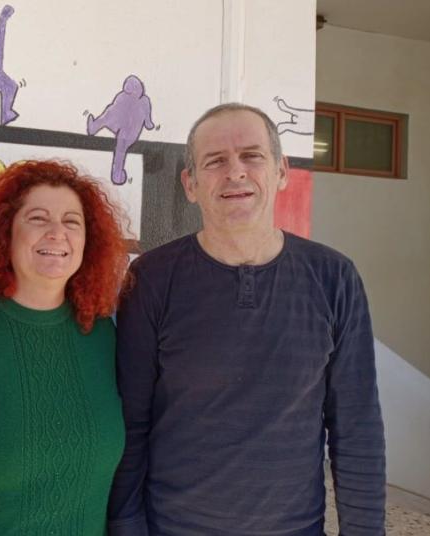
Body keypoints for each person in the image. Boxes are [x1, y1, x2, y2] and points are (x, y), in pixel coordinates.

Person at [108, 103, 386, 535]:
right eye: (215, 161)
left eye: (252, 156)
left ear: (281, 171)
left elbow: (356, 427)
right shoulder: (152, 279)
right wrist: (126, 526)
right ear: (190, 184)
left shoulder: (334, 277)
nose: (235, 171)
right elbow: (131, 422)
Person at [0, 160, 131, 535]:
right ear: (6, 233)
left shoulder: (104, 336)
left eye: (72, 222)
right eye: (38, 218)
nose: (57, 233)